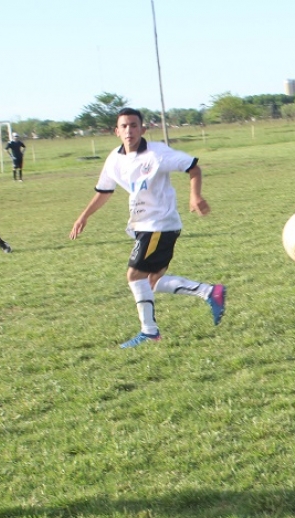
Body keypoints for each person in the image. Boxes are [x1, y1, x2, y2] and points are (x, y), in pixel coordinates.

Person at [70, 108, 226, 349]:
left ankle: (150, 332)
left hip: (159, 224)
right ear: (116, 131)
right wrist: (83, 217)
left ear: (143, 129)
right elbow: (104, 191)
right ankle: (209, 292)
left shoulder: (157, 154)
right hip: (144, 225)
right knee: (152, 281)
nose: (129, 130)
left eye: (134, 125)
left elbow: (193, 168)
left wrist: (195, 196)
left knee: (134, 276)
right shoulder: (115, 158)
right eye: (124, 126)